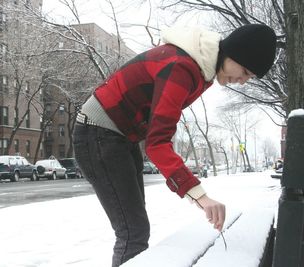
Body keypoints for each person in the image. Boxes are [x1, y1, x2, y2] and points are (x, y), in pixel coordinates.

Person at [72, 24, 277, 267]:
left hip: (118, 136)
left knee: (135, 228)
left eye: (249, 78)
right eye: (245, 71)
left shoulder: (199, 69)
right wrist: (201, 196)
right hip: (98, 134)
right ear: (233, 52)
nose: (242, 81)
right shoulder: (182, 66)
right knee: (133, 232)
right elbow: (157, 143)